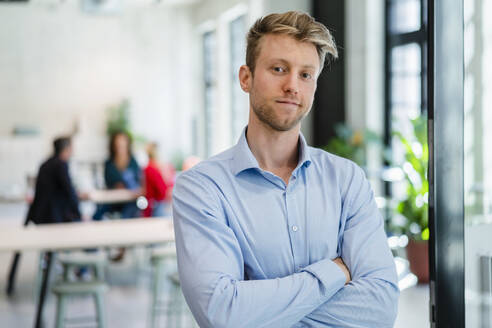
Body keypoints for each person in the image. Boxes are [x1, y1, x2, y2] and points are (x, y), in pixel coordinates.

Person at [172, 11, 399, 328]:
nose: (293, 85)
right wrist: (334, 272)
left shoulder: (347, 179)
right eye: (279, 69)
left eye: (306, 75)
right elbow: (222, 313)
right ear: (246, 77)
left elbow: (380, 309)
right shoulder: (201, 188)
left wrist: (259, 309)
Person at [7, 136, 82, 295]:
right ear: (67, 149)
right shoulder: (61, 165)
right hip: (53, 219)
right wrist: (80, 213)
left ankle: (54, 262)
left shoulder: (45, 163)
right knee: (83, 231)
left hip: (38, 216)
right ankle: (78, 269)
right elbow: (70, 193)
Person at [93, 131, 142, 221]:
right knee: (97, 216)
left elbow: (138, 181)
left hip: (130, 200)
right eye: (118, 143)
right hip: (113, 200)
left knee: (127, 216)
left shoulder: (133, 162)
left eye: (122, 143)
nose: (120, 146)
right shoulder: (109, 163)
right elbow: (108, 181)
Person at [143, 142, 173, 217]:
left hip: (156, 205)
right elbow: (162, 190)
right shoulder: (152, 168)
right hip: (158, 205)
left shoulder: (152, 168)